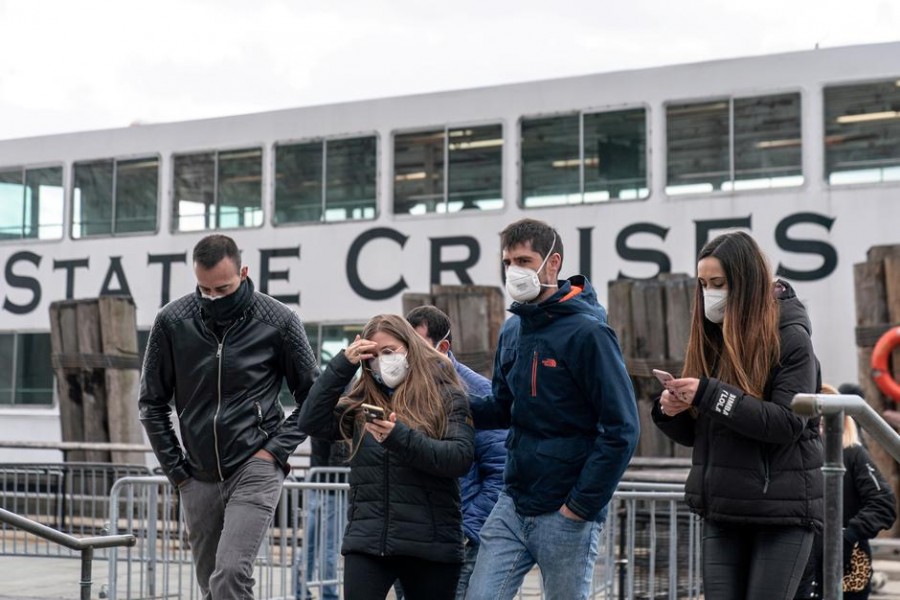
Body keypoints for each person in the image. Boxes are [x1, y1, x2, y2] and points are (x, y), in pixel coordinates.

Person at [465, 218, 640, 600]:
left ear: (553, 263)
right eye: (508, 262)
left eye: (525, 260)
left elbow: (622, 427)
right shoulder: (512, 331)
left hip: (565, 510)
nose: (514, 271)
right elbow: (501, 408)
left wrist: (580, 507)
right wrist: (449, 407)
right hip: (513, 503)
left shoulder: (589, 333)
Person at [139, 234, 319, 600]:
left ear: (244, 272)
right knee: (211, 586)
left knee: (231, 574)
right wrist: (178, 473)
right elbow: (151, 403)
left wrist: (274, 451)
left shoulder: (279, 321)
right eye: (204, 290)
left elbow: (313, 398)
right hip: (197, 475)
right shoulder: (173, 321)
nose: (213, 298)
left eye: (222, 288)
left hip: (255, 465)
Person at [652, 230, 824, 599]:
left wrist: (710, 394)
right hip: (724, 510)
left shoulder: (791, 336)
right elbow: (706, 433)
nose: (709, 293)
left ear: (745, 283)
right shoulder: (712, 338)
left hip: (782, 513)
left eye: (718, 283)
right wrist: (673, 411)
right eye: (703, 284)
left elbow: (788, 422)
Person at [297, 314, 475, 600]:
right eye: (373, 356)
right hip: (369, 541)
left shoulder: (446, 395)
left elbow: (458, 457)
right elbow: (310, 421)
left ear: (410, 348)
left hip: (430, 544)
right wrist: (342, 364)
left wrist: (398, 438)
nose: (382, 361)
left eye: (390, 351)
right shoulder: (360, 403)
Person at [405, 305, 507, 600]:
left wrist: (467, 531)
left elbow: (501, 472)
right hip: (411, 536)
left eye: (417, 346)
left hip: (456, 537)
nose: (409, 356)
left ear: (443, 346)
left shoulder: (476, 392)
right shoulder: (401, 388)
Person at [795, 384, 897, 600]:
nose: (821, 425)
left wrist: (848, 536)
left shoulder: (853, 454)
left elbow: (883, 502)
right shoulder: (793, 458)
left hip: (848, 562)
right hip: (801, 560)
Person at [301, 437, 349, 600]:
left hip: (317, 482)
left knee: (310, 544)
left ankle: (300, 590)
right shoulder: (339, 418)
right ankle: (328, 594)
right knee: (330, 546)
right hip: (333, 485)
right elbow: (339, 456)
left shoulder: (317, 415)